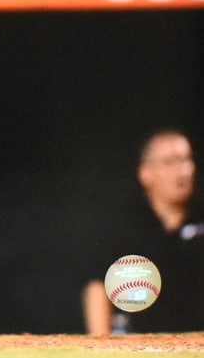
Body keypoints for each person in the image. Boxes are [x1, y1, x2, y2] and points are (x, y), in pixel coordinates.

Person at [82, 130, 204, 334]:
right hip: (138, 346)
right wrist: (100, 347)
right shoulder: (124, 226)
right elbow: (98, 287)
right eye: (170, 162)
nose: (182, 171)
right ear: (146, 173)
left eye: (186, 160)